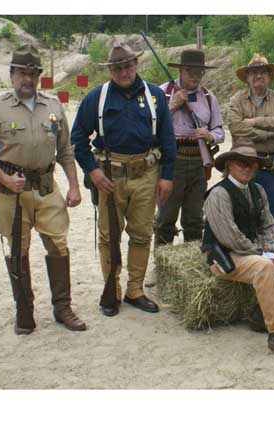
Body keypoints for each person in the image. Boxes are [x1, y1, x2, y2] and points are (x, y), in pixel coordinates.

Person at [0, 44, 86, 334]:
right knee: (17, 250)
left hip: (47, 187)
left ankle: (62, 308)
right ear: (12, 74)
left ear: (39, 76)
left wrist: (74, 186)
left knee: (59, 246)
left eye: (33, 73)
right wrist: (3, 178)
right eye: (22, 72)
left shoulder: (53, 106)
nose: (28, 79)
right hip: (12, 190)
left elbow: (66, 151)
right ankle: (24, 310)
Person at [71, 44, 176, 316]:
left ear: (136, 65)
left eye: (128, 66)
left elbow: (167, 139)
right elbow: (78, 140)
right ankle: (112, 290)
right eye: (117, 68)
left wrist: (166, 176)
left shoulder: (155, 96)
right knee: (109, 237)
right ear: (110, 70)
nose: (124, 72)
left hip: (146, 175)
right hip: (109, 177)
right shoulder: (97, 97)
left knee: (142, 234)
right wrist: (93, 172)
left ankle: (135, 290)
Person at [202, 145, 274, 363]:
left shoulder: (258, 190)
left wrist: (269, 249)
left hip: (252, 251)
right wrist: (262, 253)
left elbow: (269, 225)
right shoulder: (218, 194)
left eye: (253, 164)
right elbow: (229, 237)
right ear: (229, 165)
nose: (248, 168)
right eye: (242, 162)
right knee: (264, 266)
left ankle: (261, 314)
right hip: (225, 256)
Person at [154, 49, 224, 245]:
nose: (194, 75)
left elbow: (220, 132)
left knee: (194, 219)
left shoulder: (209, 97)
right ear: (181, 71)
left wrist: (209, 135)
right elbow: (151, 127)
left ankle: (192, 262)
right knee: (165, 218)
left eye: (198, 72)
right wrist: (173, 105)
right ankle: (163, 263)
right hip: (171, 161)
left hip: (199, 163)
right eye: (189, 70)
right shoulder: (162, 93)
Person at [228, 53, 274, 239]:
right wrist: (267, 133)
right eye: (254, 72)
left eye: (263, 72)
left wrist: (254, 121)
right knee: (242, 215)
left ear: (269, 76)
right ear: (247, 77)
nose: (258, 76)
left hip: (271, 165)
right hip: (243, 164)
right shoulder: (236, 100)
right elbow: (235, 126)